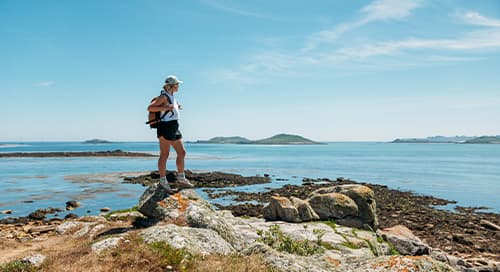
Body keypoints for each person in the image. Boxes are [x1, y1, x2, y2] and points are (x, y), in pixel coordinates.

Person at [147, 75, 194, 191]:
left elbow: (171, 108)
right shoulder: (163, 97)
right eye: (177, 84)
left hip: (174, 127)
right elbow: (150, 108)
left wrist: (177, 106)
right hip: (165, 127)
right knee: (164, 154)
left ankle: (181, 178)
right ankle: (163, 181)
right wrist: (167, 106)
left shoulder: (172, 96)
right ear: (171, 86)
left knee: (182, 152)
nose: (178, 86)